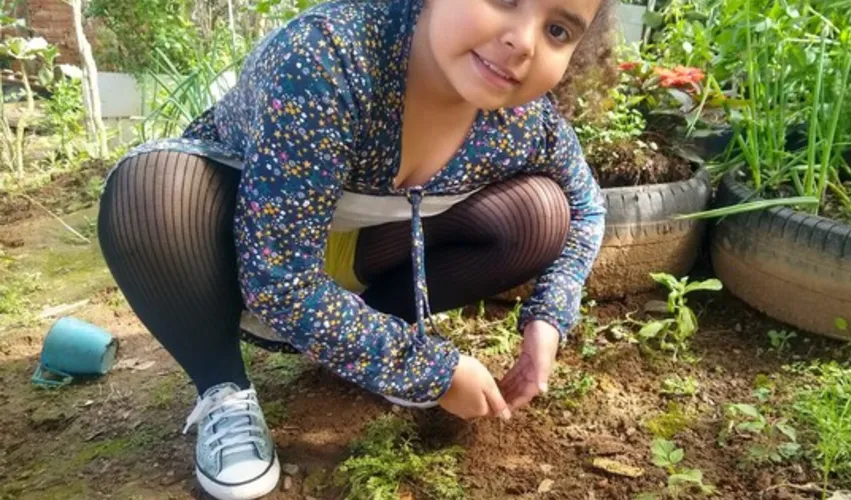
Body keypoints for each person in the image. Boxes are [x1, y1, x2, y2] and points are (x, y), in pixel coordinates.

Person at [96, 0, 617, 498]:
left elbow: (587, 206)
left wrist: (549, 316)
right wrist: (430, 370)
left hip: (357, 260)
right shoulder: (330, 58)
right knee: (150, 192)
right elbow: (277, 279)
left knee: (540, 212)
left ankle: (370, 336)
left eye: (558, 30)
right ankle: (223, 388)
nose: (523, 41)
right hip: (232, 258)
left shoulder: (521, 122)